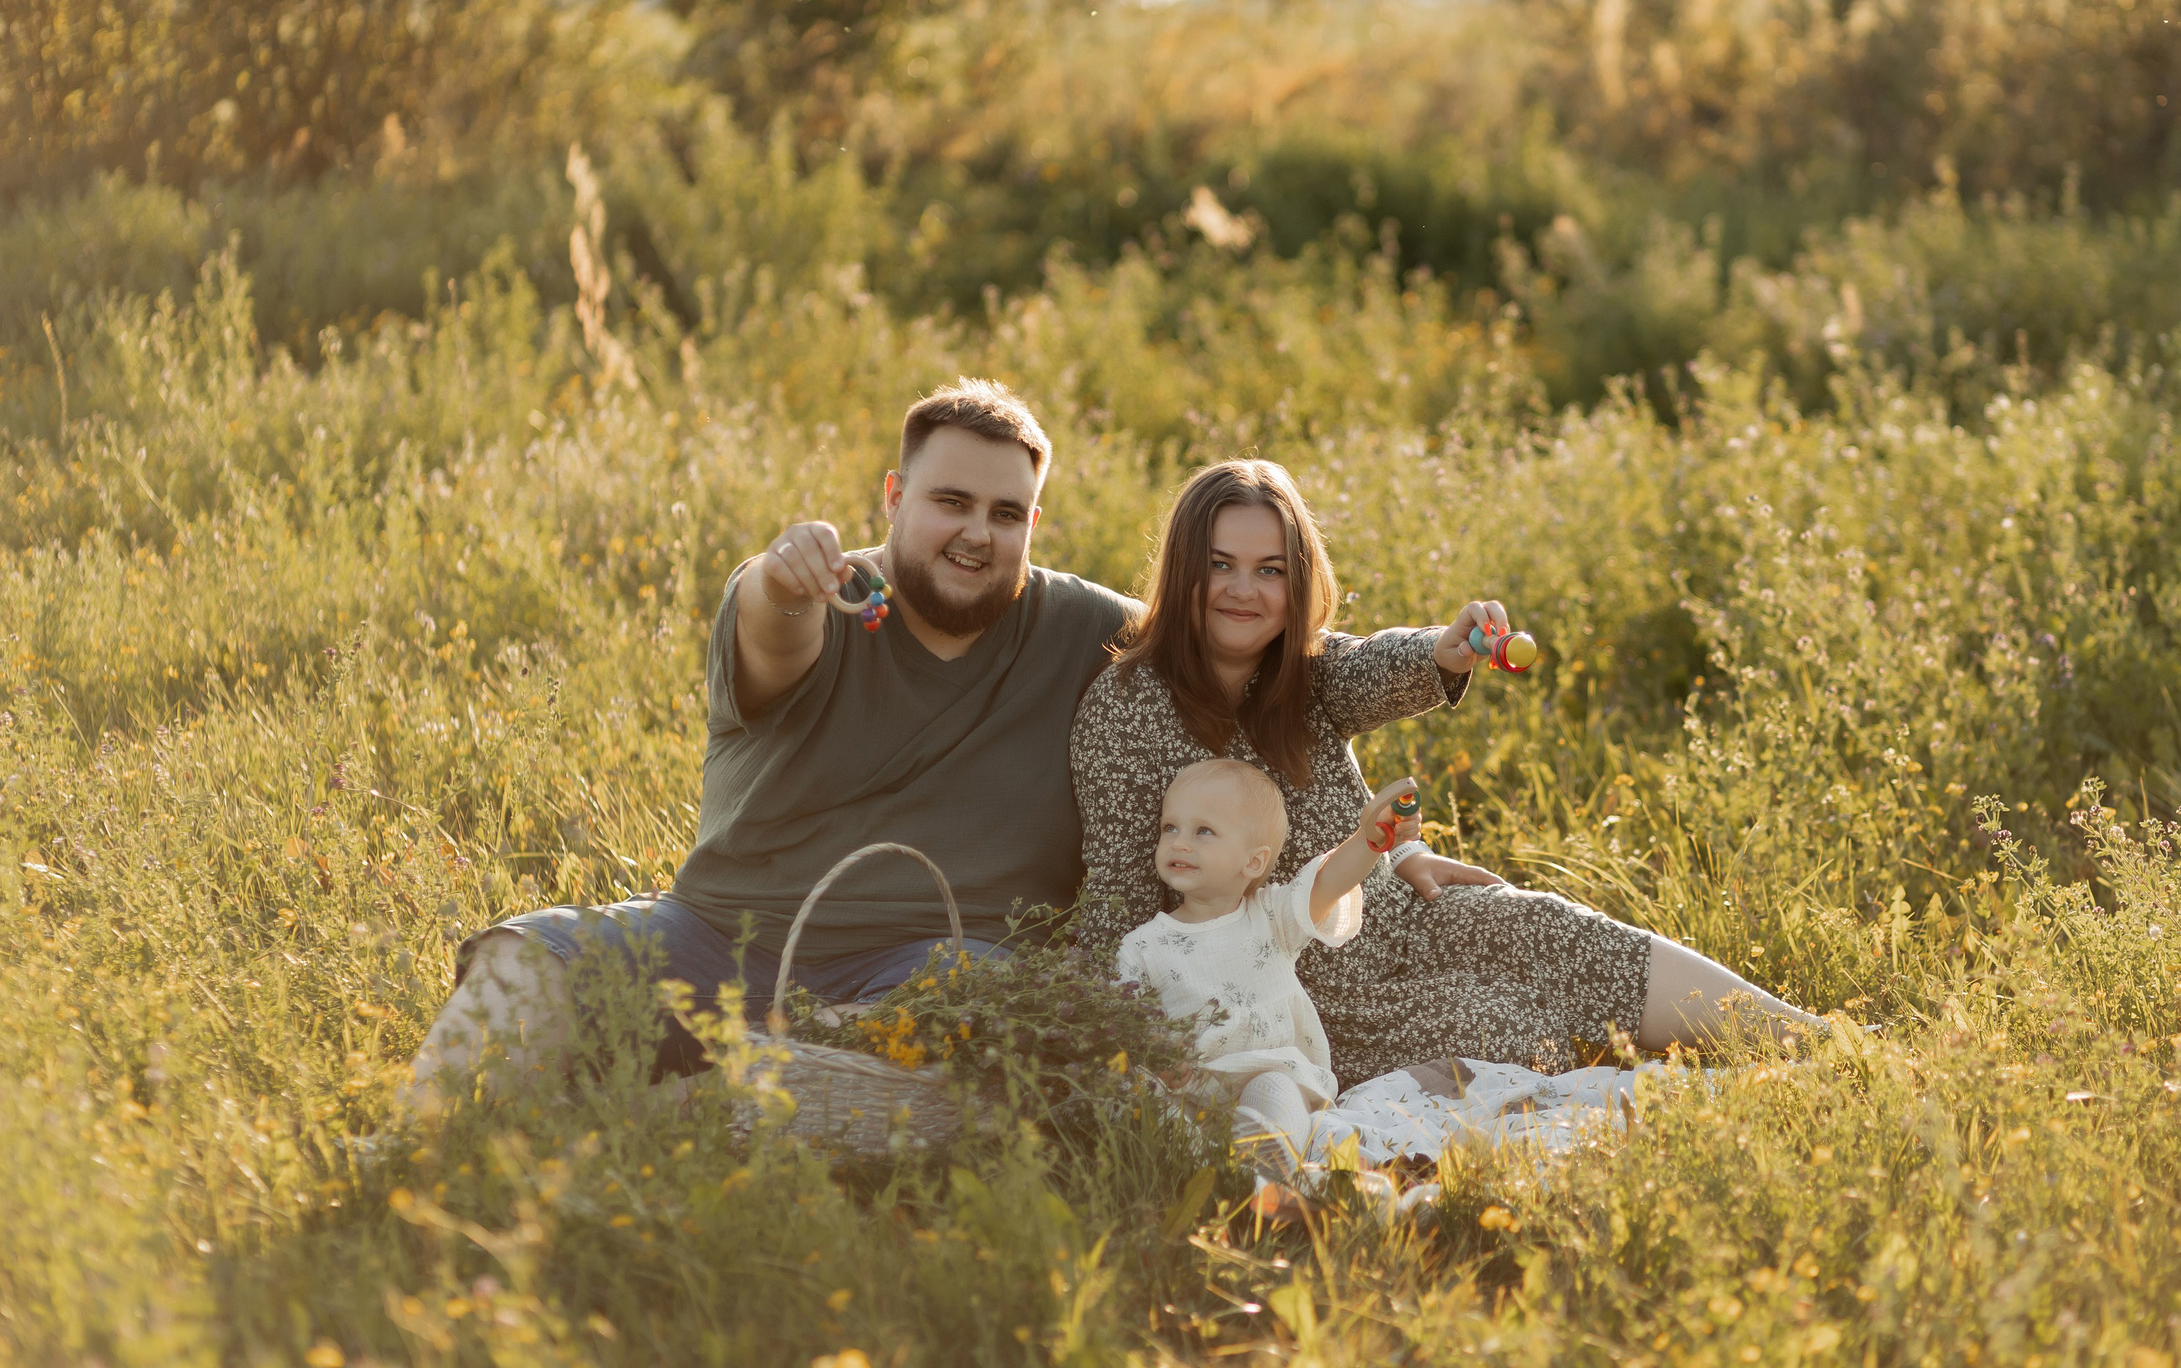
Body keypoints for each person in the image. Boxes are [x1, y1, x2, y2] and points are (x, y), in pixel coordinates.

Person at [401, 380, 1139, 1113]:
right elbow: (775, 631)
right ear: (894, 496)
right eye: (952, 502)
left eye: (1006, 513)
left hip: (935, 968)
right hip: (718, 937)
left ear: (1034, 521)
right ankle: (409, 1148)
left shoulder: (1086, 629)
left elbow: (1231, 632)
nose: (978, 532)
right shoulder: (820, 593)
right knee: (524, 960)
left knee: (979, 1016)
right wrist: (781, 582)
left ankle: (627, 1127)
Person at [1073, 459, 1821, 1092]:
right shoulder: (1128, 707)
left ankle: (1819, 1043)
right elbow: (1120, 898)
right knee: (1506, 1022)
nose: (1244, 589)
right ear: (1182, 570)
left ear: (1298, 581)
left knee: (1550, 926)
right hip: (1288, 986)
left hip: (1399, 918)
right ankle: (1662, 1073)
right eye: (1219, 565)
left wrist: (1445, 650)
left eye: (1270, 569)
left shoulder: (1302, 670)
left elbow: (1373, 667)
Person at [1115, 760, 1419, 1173]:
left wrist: (1368, 840)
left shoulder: (1270, 917)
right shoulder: (1142, 946)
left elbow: (1329, 881)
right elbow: (1127, 1021)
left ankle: (1259, 1169)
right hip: (1188, 1088)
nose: (1179, 843)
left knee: (1278, 1095)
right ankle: (1209, 1171)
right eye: (1171, 828)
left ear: (1253, 863)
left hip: (1265, 1073)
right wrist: (1160, 1056)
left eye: (1203, 831)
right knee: (1134, 1095)